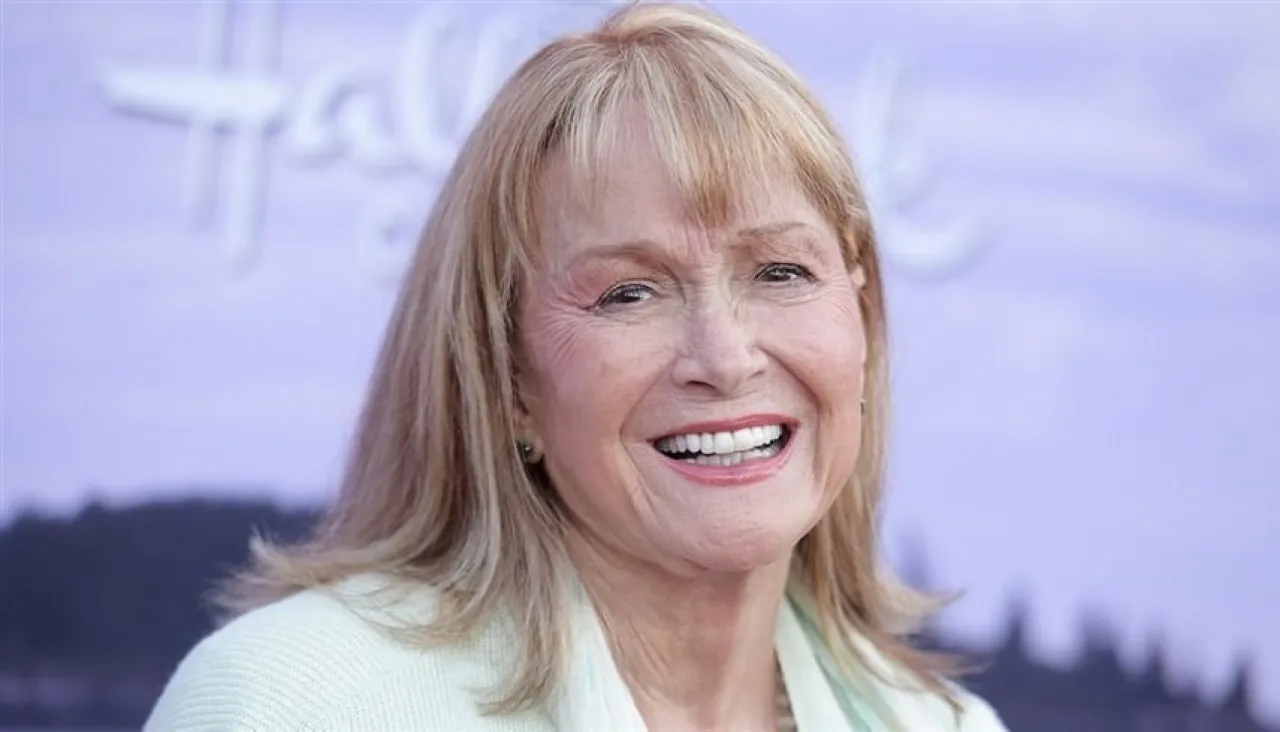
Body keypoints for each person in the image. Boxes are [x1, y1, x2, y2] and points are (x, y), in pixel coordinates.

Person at [145, 3, 1007, 731]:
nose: (724, 358)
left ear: (861, 313)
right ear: (508, 378)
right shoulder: (290, 705)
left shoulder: (945, 727)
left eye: (780, 273)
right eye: (629, 293)